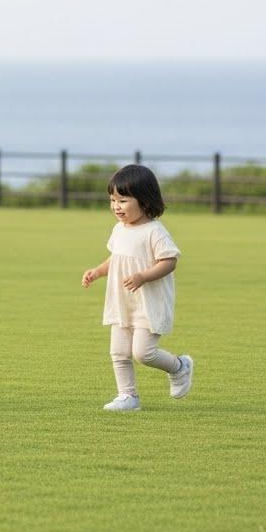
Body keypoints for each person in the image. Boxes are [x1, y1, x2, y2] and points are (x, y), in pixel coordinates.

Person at [81, 164, 194, 412]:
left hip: (148, 303)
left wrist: (143, 276)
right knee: (119, 352)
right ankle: (127, 397)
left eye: (123, 200)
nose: (116, 206)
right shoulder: (119, 229)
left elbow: (169, 261)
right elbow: (117, 258)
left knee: (143, 353)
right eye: (112, 200)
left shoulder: (155, 232)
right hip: (122, 302)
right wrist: (98, 271)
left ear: (144, 200)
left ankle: (180, 366)